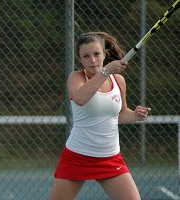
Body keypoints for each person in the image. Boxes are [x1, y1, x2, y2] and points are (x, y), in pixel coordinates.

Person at [49, 32, 151, 200]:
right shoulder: (76, 77)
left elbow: (120, 114)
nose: (92, 60)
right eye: (86, 56)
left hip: (110, 158)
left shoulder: (118, 80)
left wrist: (134, 115)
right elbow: (80, 99)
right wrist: (105, 71)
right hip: (77, 156)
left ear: (104, 53)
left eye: (96, 54)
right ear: (80, 59)